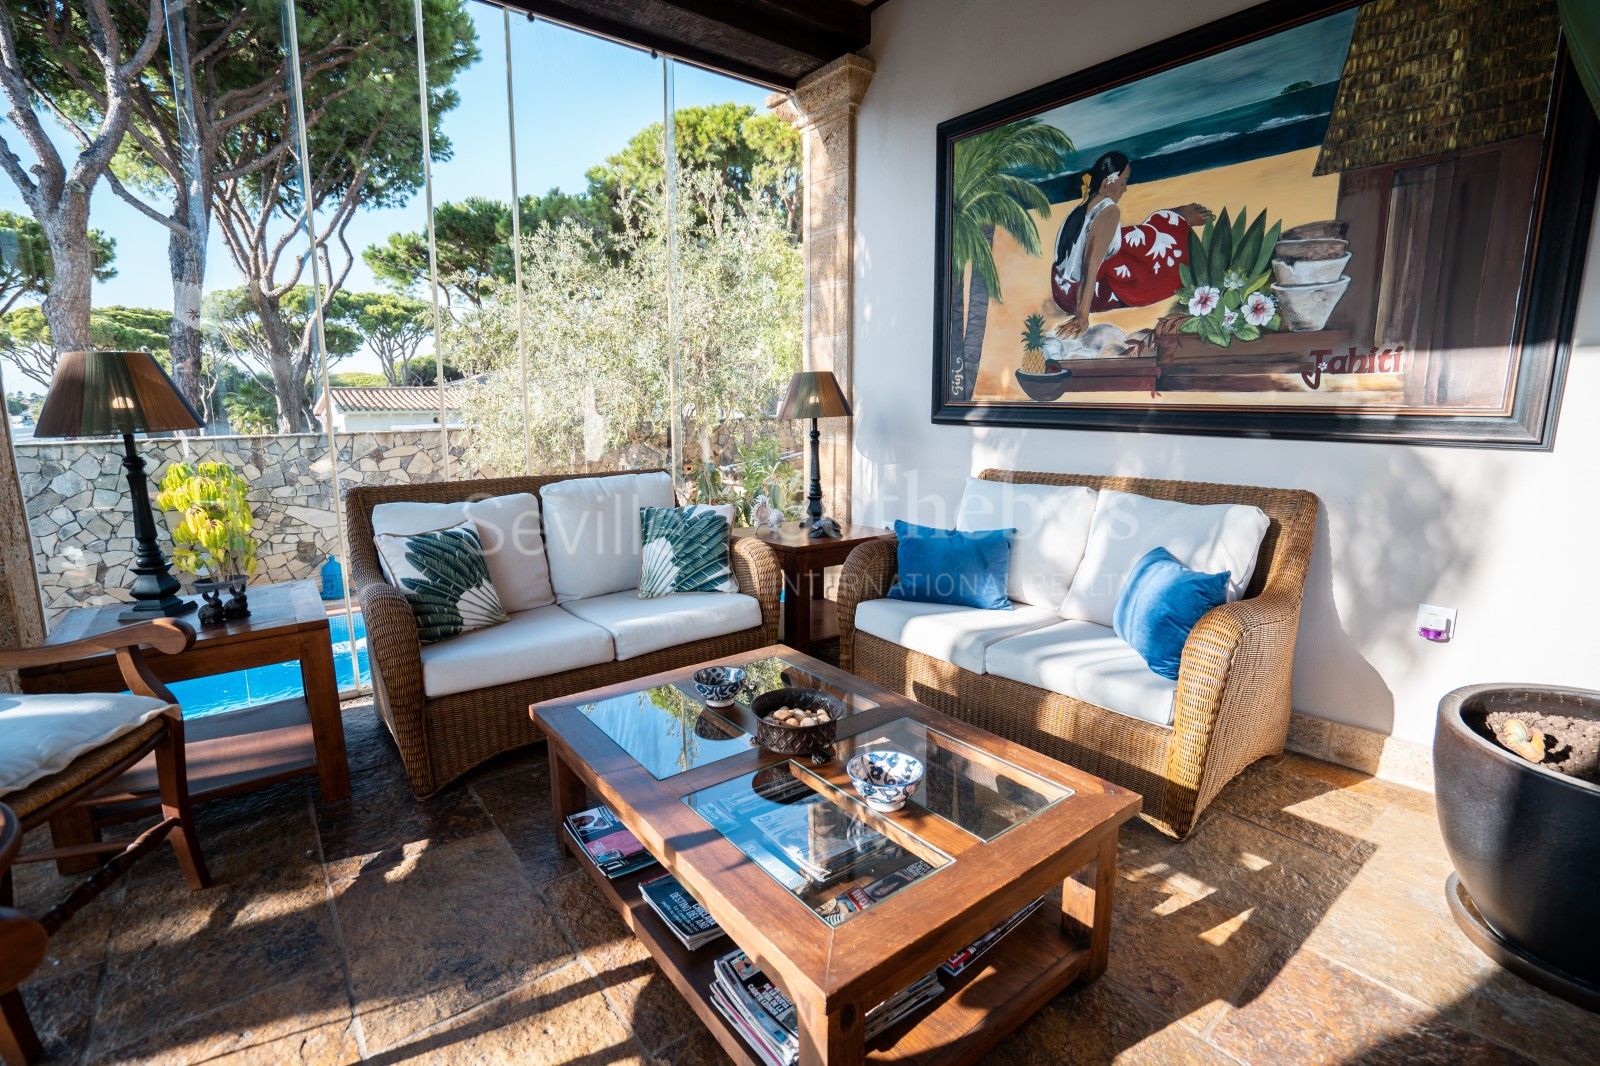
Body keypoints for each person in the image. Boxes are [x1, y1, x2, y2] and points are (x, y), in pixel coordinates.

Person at [1051, 151, 1214, 338]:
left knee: (1132, 236)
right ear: (1106, 184)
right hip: (1082, 294)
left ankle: (1172, 217)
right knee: (1164, 256)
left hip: (1061, 286)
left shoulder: (1079, 209)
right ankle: (1175, 219)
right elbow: (1091, 265)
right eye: (1123, 182)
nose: (1125, 188)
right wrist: (1082, 319)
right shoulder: (1109, 212)